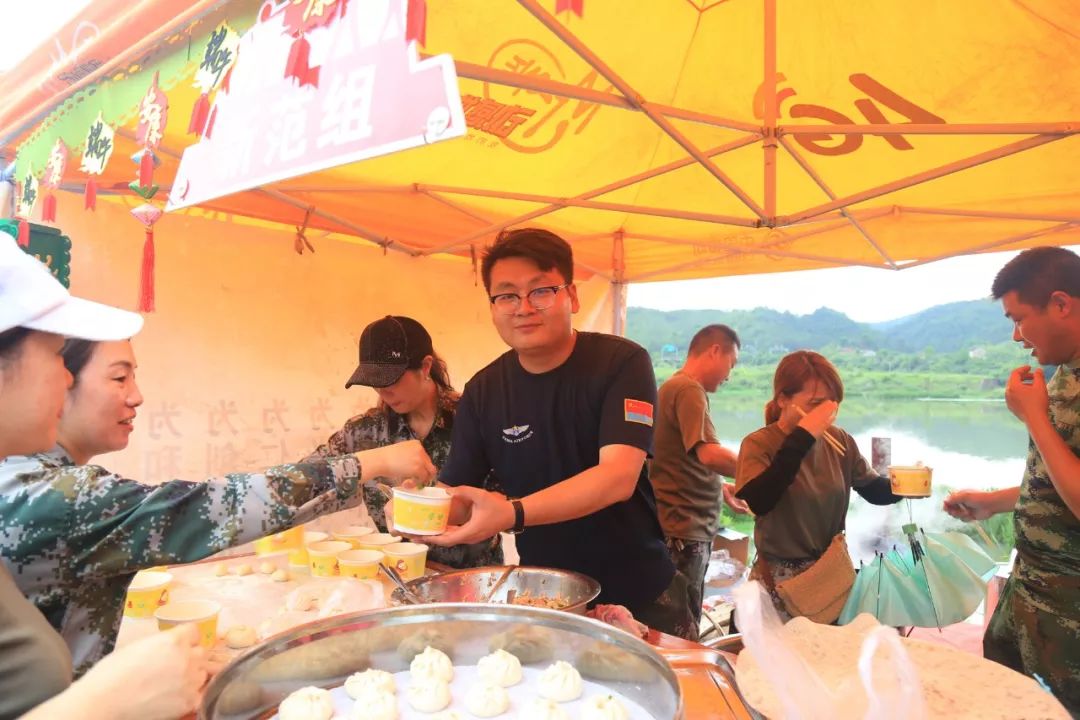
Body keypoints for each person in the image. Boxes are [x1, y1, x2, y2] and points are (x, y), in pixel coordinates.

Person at [1, 326, 435, 677]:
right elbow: (212, 506)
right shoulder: (50, 497)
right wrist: (366, 464)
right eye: (119, 377)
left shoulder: (33, 478)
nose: (137, 396)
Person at [417, 228, 695, 639]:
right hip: (549, 599)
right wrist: (421, 508)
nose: (523, 307)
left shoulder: (622, 363)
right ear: (493, 306)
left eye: (541, 290)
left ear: (573, 296)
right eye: (507, 295)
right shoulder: (483, 391)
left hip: (642, 592)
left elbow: (617, 477)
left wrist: (512, 512)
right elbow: (458, 496)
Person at [0, 236, 209, 719]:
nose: (67, 378)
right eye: (56, 354)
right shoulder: (47, 493)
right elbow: (201, 506)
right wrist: (103, 705)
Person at [943, 246, 1080, 714]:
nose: (1017, 337)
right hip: (1027, 593)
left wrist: (1035, 419)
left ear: (1061, 304)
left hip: (1070, 616)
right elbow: (1057, 478)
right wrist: (996, 502)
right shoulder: (1062, 373)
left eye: (1019, 319)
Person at [302, 315, 503, 568]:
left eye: (391, 380)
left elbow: (510, 501)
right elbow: (308, 479)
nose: (383, 392)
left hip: (475, 579)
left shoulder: (472, 419)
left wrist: (447, 509)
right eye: (374, 382)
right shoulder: (365, 432)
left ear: (426, 366)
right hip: (401, 576)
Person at [735, 350, 902, 620]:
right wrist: (803, 436)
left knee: (827, 657)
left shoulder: (840, 441)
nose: (827, 414)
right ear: (782, 399)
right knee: (780, 660)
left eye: (832, 404)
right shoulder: (759, 444)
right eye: (816, 403)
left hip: (829, 575)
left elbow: (873, 489)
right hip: (780, 581)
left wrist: (905, 485)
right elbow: (760, 499)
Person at [649, 323, 750, 628]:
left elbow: (680, 459)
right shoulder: (689, 389)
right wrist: (764, 470)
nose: (729, 375)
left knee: (676, 613)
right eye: (730, 364)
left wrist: (720, 487)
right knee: (682, 621)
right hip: (683, 529)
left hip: (677, 525)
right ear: (714, 351)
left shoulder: (673, 388)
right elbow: (709, 454)